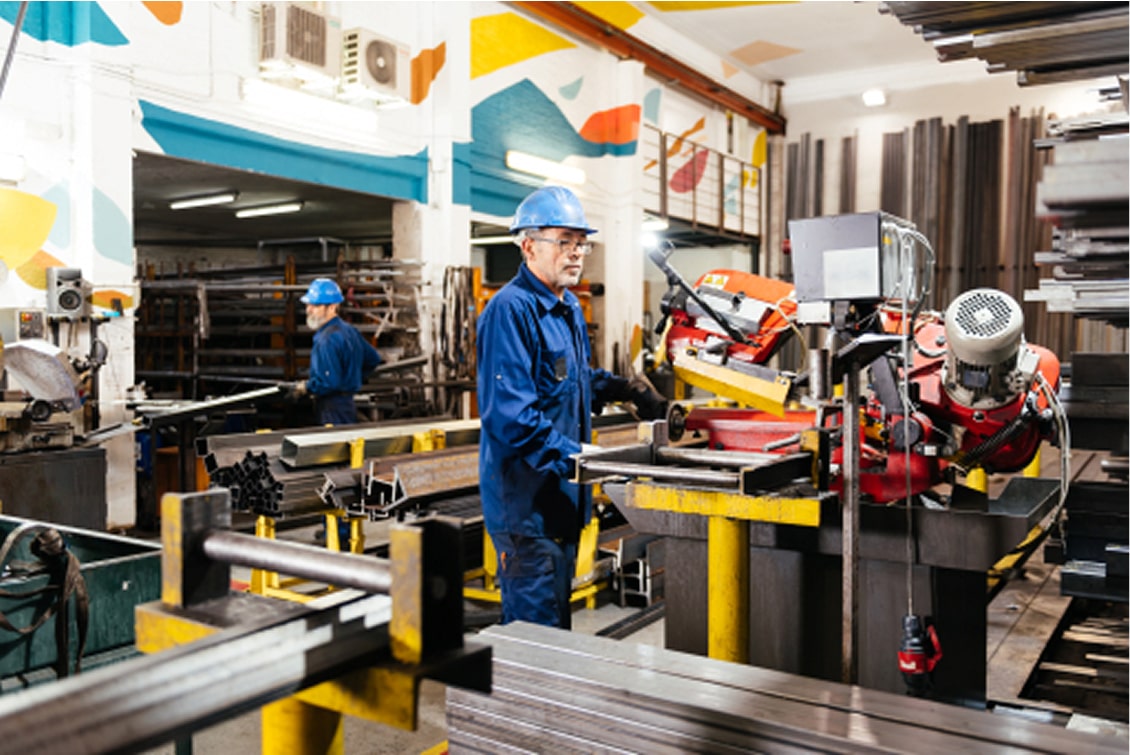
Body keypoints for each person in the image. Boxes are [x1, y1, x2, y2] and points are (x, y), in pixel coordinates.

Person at [476, 185, 667, 629]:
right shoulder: (510, 311)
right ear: (528, 246)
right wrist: (584, 460)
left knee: (557, 629)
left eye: (581, 242)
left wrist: (629, 389)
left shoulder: (568, 310)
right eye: (564, 241)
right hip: (526, 510)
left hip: (562, 502)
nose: (577, 253)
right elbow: (512, 418)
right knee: (537, 639)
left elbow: (576, 382)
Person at [288, 278, 382, 425]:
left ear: (332, 307)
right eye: (308, 305)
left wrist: (306, 387)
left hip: (332, 409)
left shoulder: (326, 339)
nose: (308, 310)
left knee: (334, 446)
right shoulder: (350, 331)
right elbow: (373, 359)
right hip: (347, 404)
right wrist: (351, 377)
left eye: (315, 305)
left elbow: (329, 383)